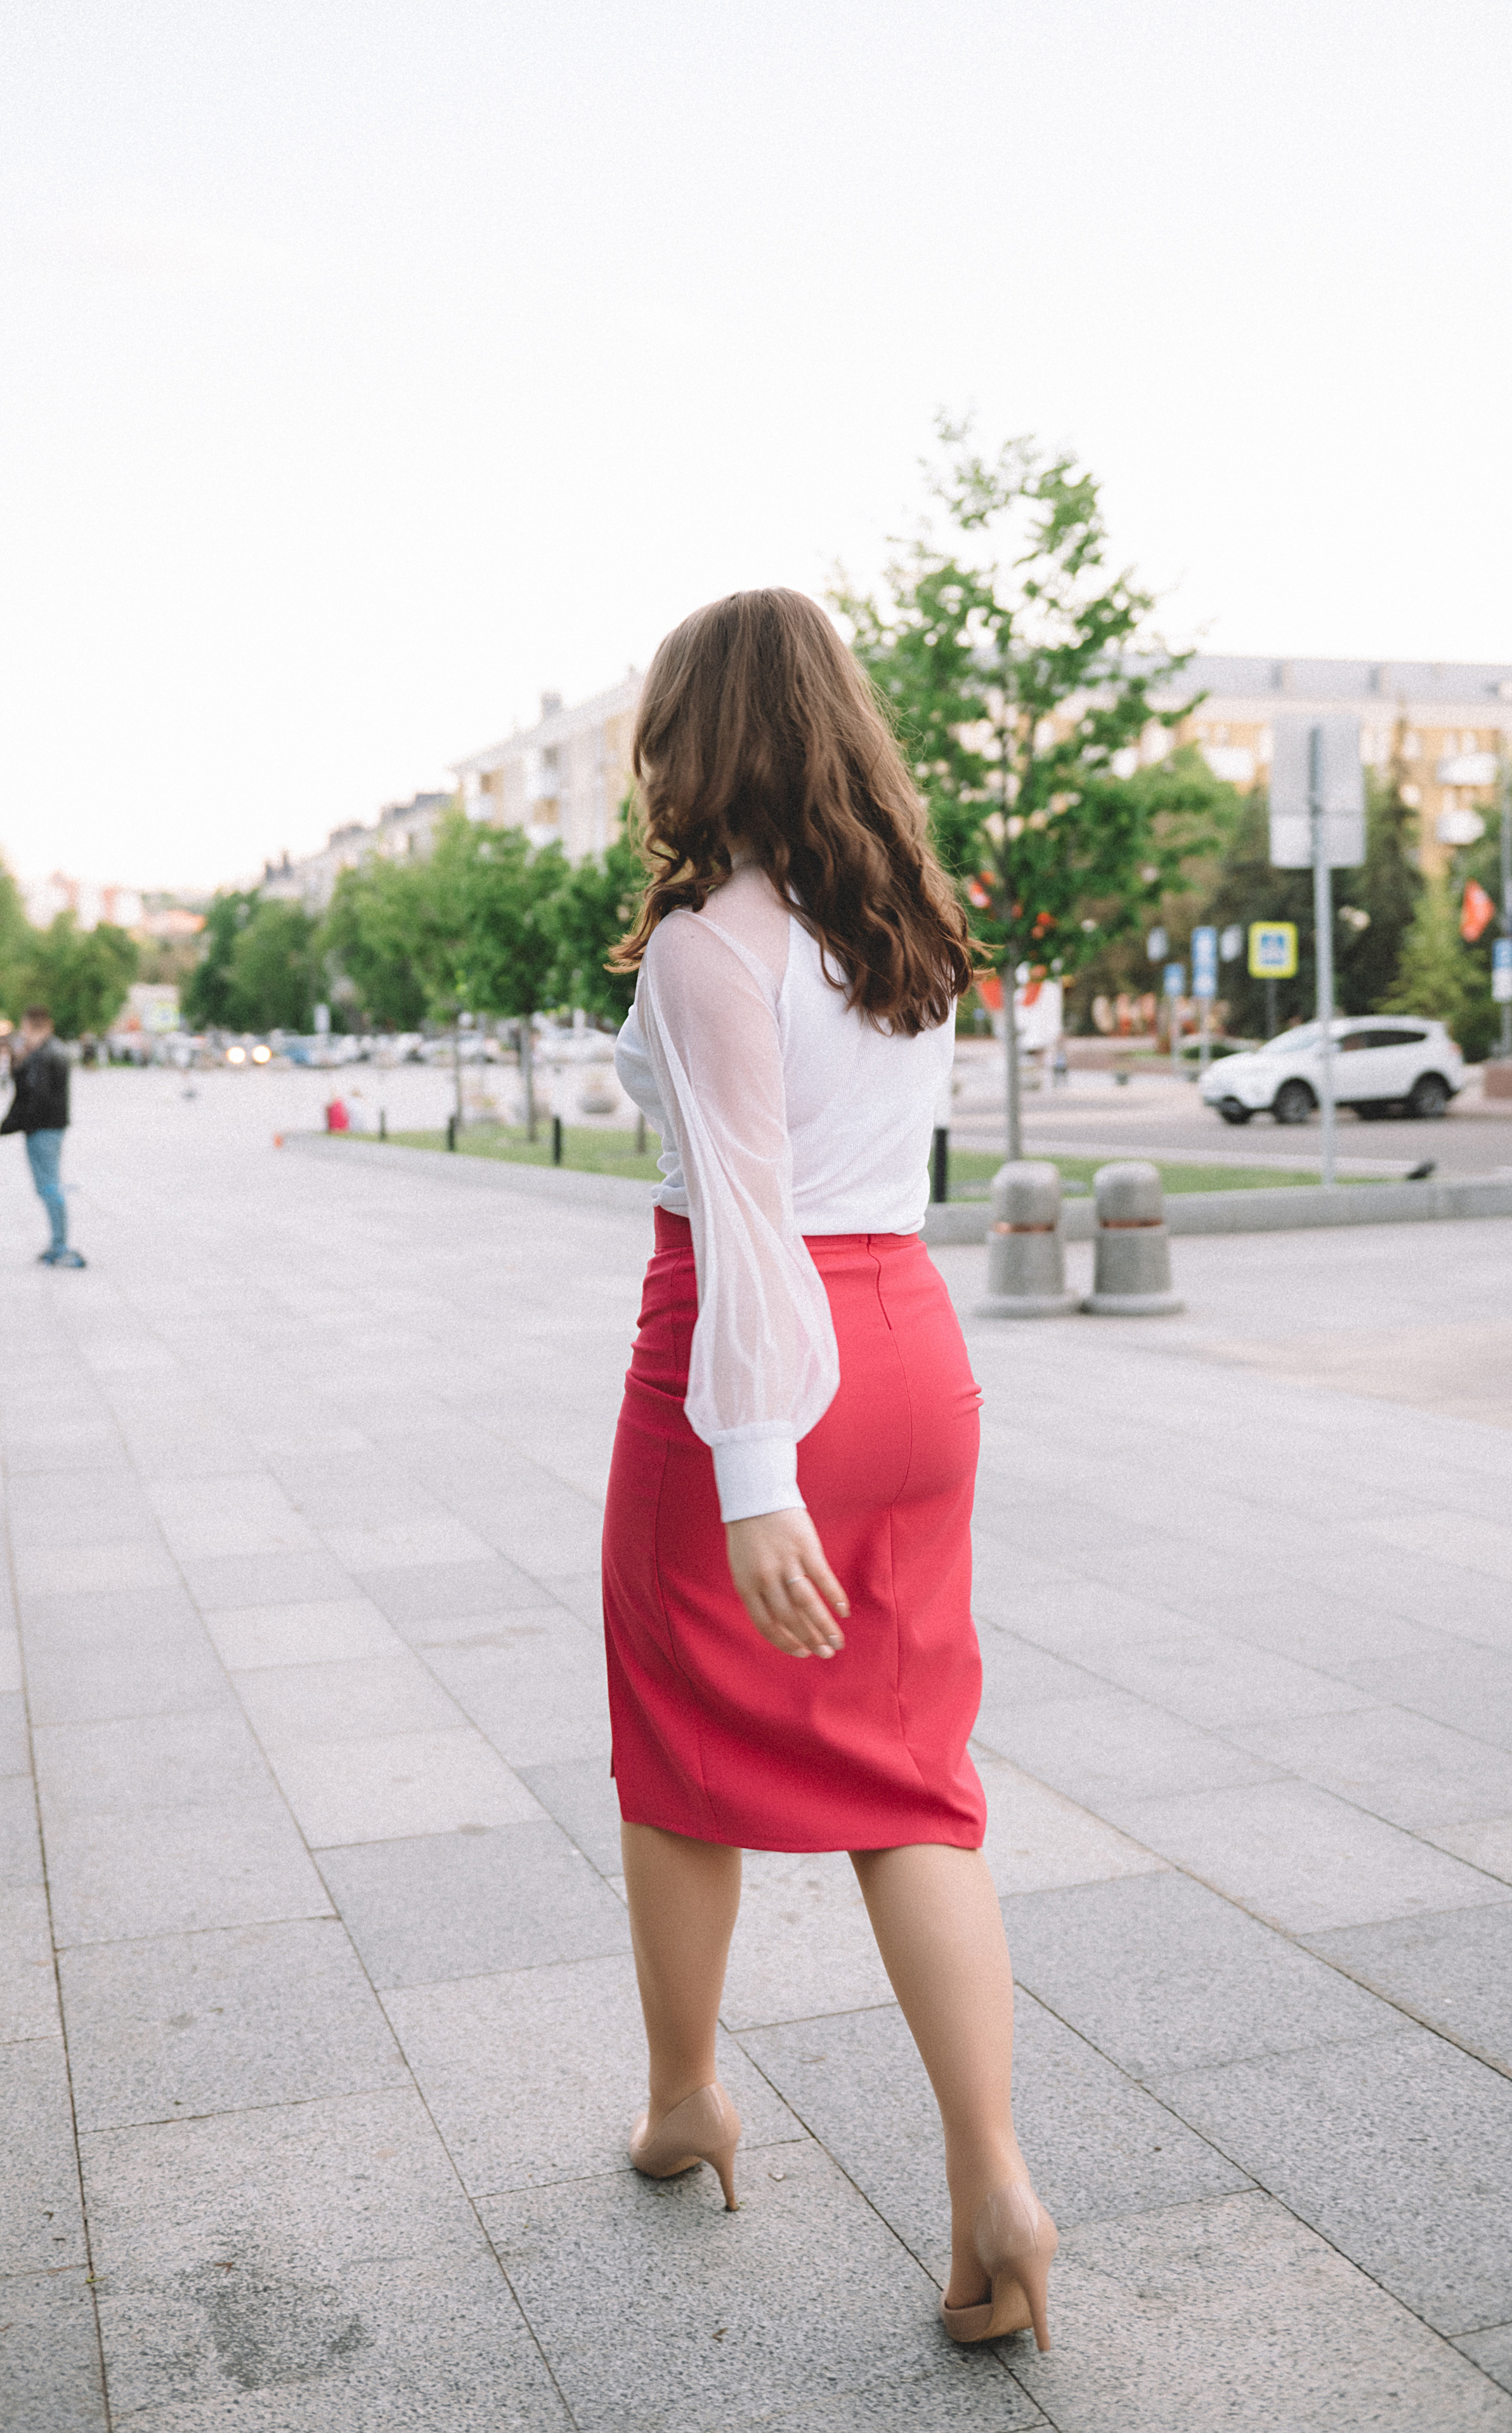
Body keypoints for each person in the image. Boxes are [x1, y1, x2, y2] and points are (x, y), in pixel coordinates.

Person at [604, 590, 1057, 2351]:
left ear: (692, 738)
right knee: (909, 1778)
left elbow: (742, 1219)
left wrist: (752, 1469)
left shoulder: (709, 944)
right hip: (909, 1346)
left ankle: (686, 2097)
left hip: (750, 1361)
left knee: (675, 1737)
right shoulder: (899, 924)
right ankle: (993, 2181)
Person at [0, 1006, 86, 1268]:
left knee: (49, 1187)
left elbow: (37, 1095)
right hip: (48, 1127)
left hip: (43, 1129)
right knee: (48, 1186)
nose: (22, 1033)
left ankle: (60, 1246)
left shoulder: (46, 1055)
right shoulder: (49, 1051)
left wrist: (22, 1122)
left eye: (24, 1027)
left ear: (31, 1026)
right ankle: (57, 1244)